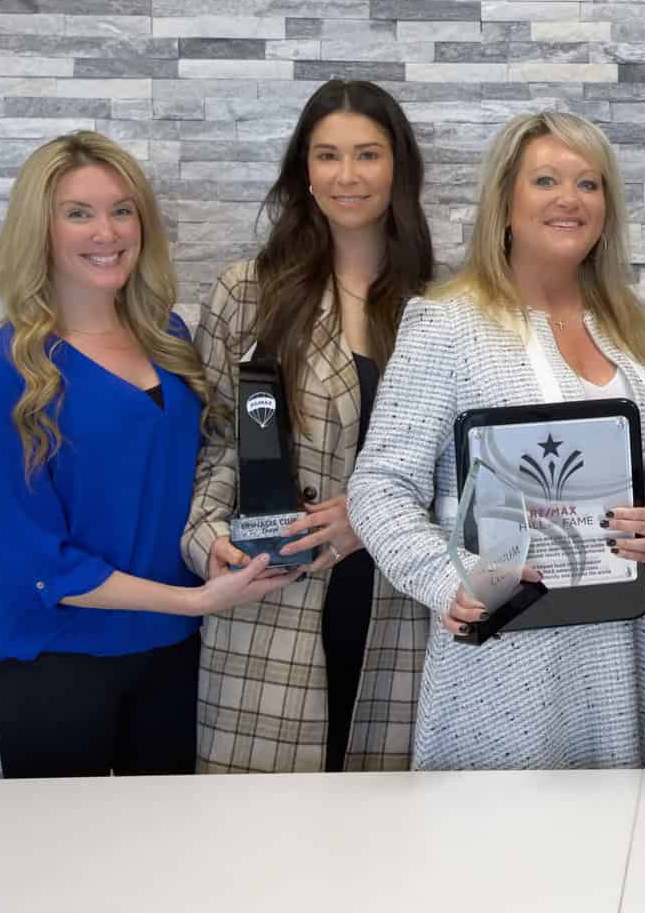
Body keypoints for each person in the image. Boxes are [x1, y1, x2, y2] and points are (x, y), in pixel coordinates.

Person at [0, 132, 294, 780]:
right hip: (54, 663)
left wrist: (213, 544)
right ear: (40, 230)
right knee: (65, 870)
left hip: (172, 657)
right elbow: (33, 559)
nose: (105, 231)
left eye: (122, 209)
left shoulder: (169, 339)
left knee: (165, 865)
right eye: (77, 212)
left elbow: (184, 479)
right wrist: (193, 601)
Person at [348, 110, 645, 769]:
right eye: (545, 179)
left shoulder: (630, 330)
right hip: (503, 651)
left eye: (588, 184)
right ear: (504, 202)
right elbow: (379, 488)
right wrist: (448, 583)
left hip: (616, 647)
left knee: (614, 858)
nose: (568, 199)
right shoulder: (448, 324)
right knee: (493, 856)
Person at [182, 80, 436, 772]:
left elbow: (462, 467)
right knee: (262, 848)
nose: (347, 176)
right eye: (327, 156)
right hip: (269, 599)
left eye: (367, 155)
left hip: (397, 605)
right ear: (303, 169)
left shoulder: (441, 304)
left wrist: (372, 517)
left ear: (398, 168)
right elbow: (214, 442)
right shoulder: (249, 291)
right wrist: (207, 543)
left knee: (387, 842)